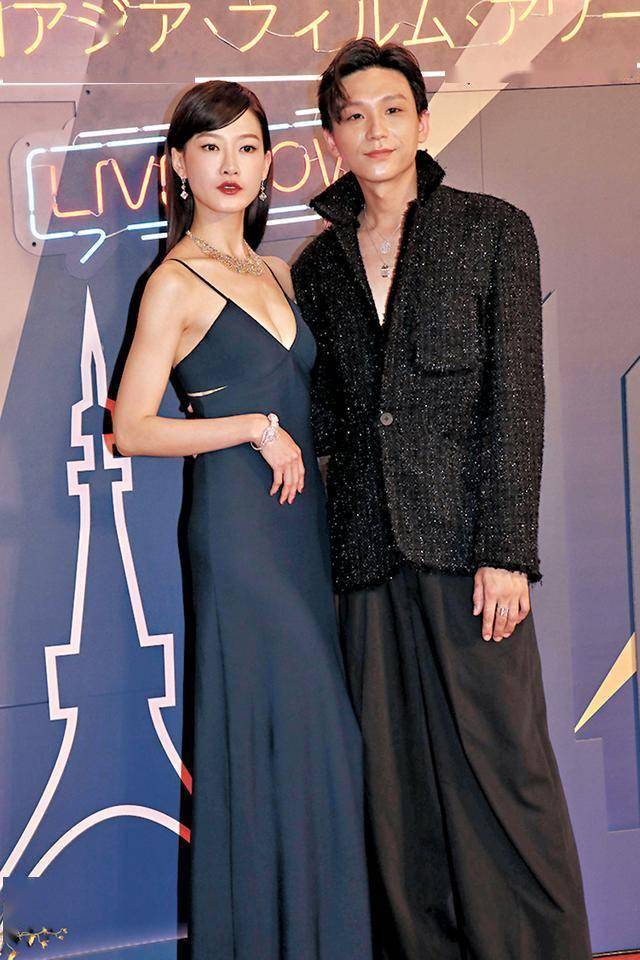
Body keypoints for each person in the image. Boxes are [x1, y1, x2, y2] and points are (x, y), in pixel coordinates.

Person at [291, 38, 592, 960]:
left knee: (507, 774)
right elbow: (328, 418)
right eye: (353, 115)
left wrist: (506, 551)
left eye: (392, 110)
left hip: (468, 553)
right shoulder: (317, 268)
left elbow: (518, 398)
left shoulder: (492, 229)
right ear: (333, 136)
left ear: (422, 121)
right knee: (397, 792)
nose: (374, 130)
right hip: (365, 556)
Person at [113, 80, 372, 960]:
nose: (231, 164)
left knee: (315, 752)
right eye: (211, 146)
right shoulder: (171, 283)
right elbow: (132, 428)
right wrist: (251, 428)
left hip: (302, 535)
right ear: (179, 164)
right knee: (299, 741)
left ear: (268, 166)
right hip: (239, 537)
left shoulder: (280, 273)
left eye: (248, 147)